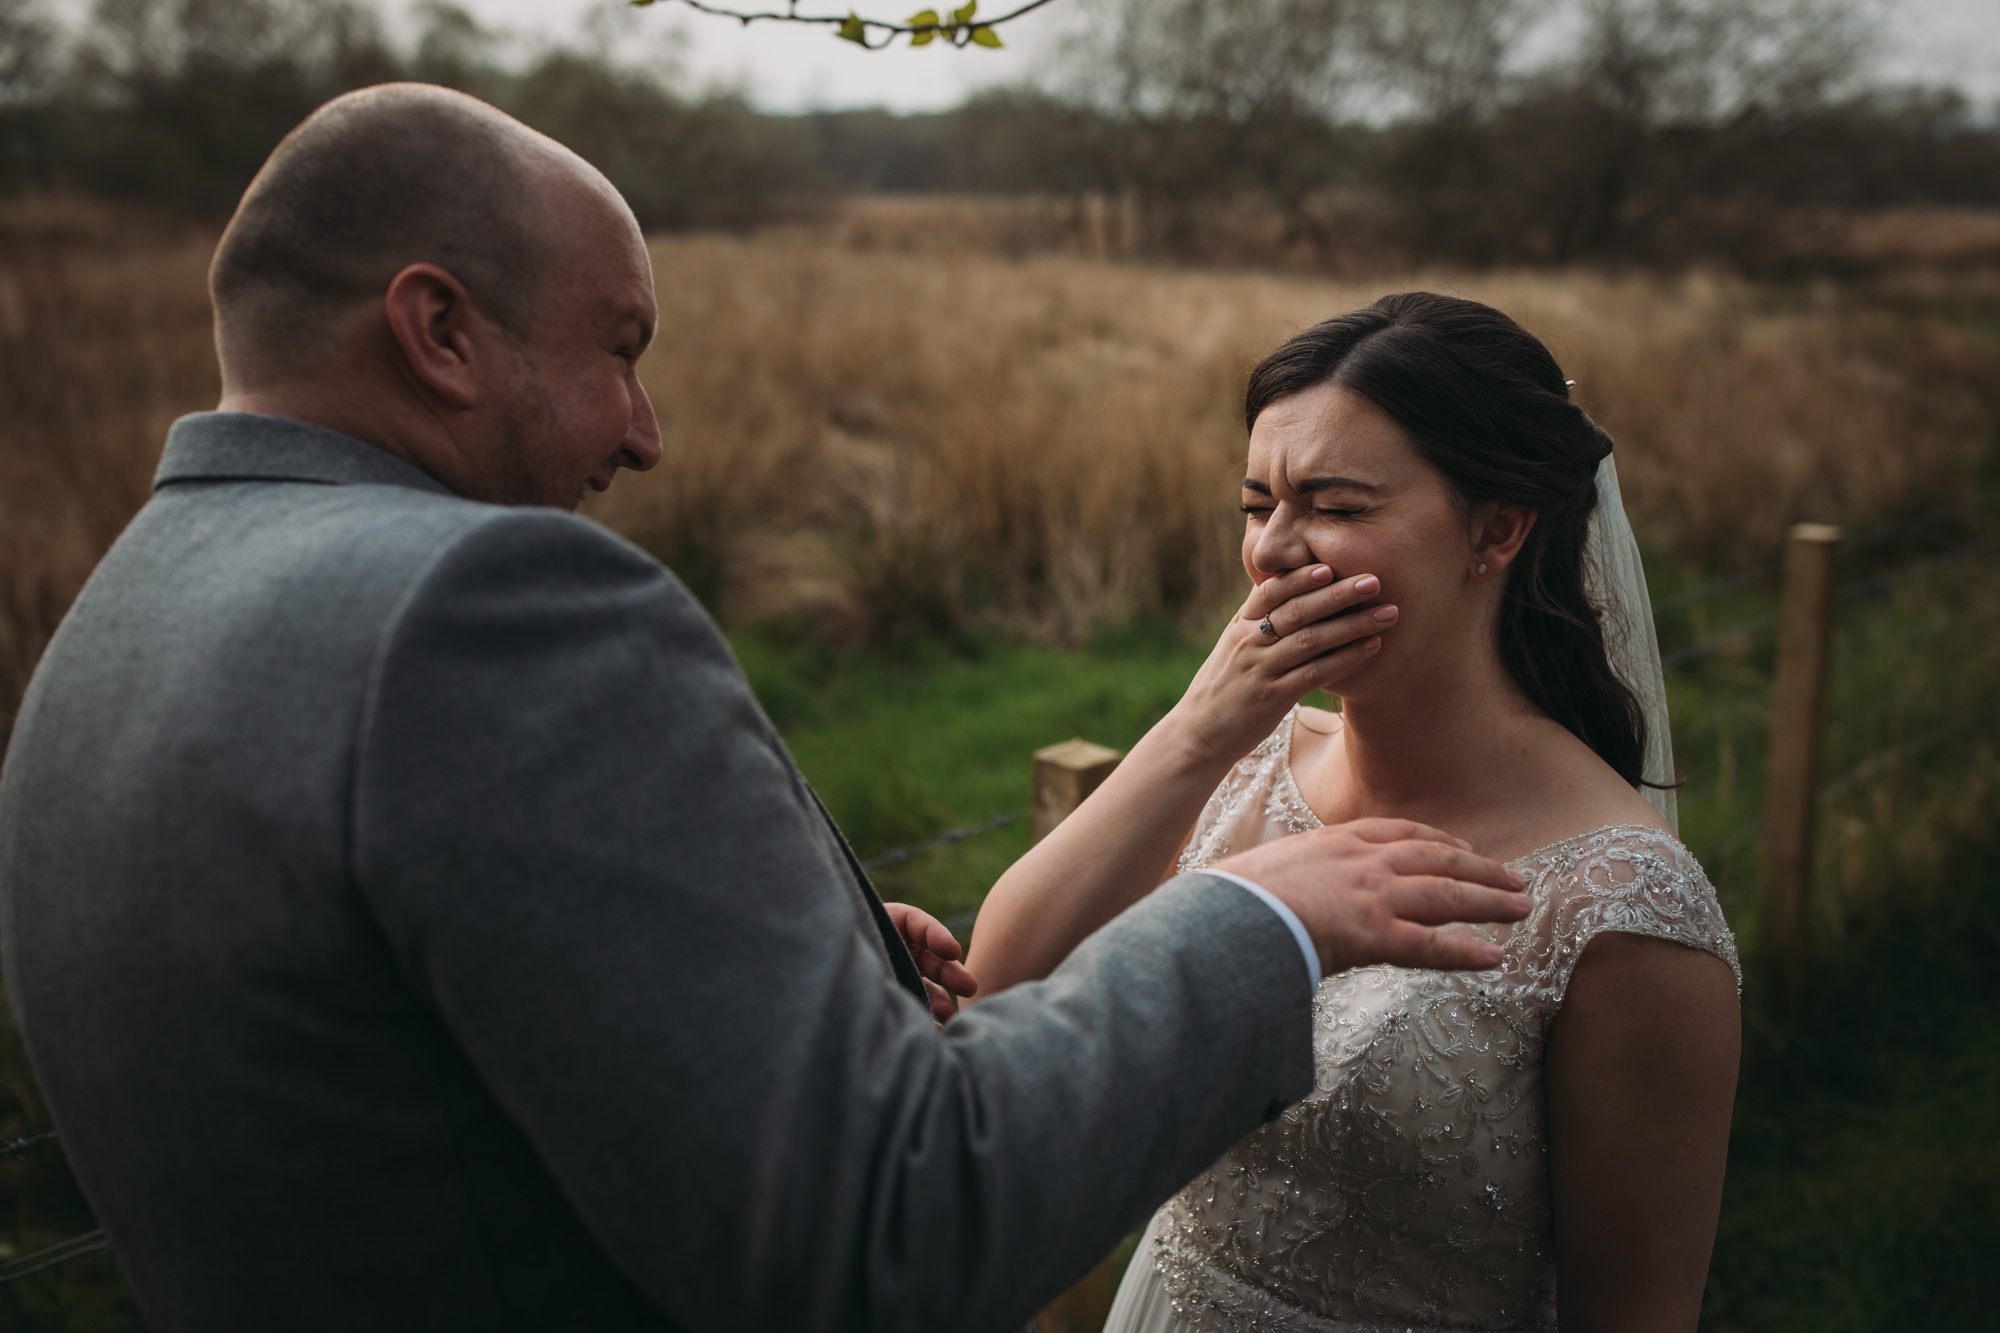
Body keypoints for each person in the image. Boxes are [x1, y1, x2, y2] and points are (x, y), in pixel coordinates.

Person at [0, 90, 1535, 1333]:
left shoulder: (113, 628)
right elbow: (881, 1239)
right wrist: (1255, 922)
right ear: (441, 329)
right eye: (621, 349)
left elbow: (403, 1041)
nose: (646, 435)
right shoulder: (490, 612)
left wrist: (815, 952)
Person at [970, 293, 1743, 1332]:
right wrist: (1195, 732)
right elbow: (1002, 988)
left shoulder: (1624, 906)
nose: (1271, 553)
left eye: (1331, 505)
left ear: (1497, 527)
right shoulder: (1235, 770)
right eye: (1257, 505)